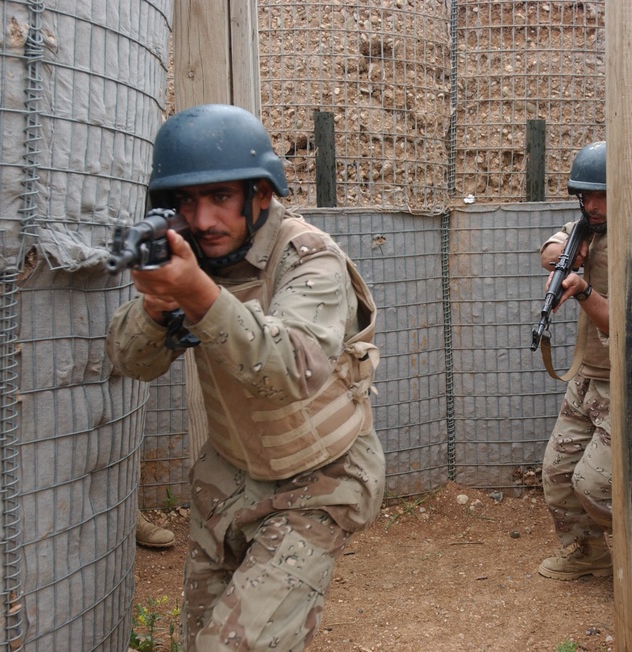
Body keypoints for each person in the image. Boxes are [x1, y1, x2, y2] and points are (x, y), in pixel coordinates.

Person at [106, 104, 385, 650]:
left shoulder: (308, 258)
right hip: (230, 476)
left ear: (261, 194)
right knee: (198, 638)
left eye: (220, 197)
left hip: (320, 479)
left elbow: (291, 370)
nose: (203, 219)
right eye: (187, 201)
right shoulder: (197, 258)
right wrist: (160, 307)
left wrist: (197, 295)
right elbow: (129, 361)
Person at [537, 141, 632, 580]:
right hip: (590, 379)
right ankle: (588, 553)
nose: (591, 205)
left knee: (595, 485)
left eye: (600, 195)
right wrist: (564, 256)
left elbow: (628, 326)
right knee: (557, 474)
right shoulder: (590, 228)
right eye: (584, 196)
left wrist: (583, 290)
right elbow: (551, 248)